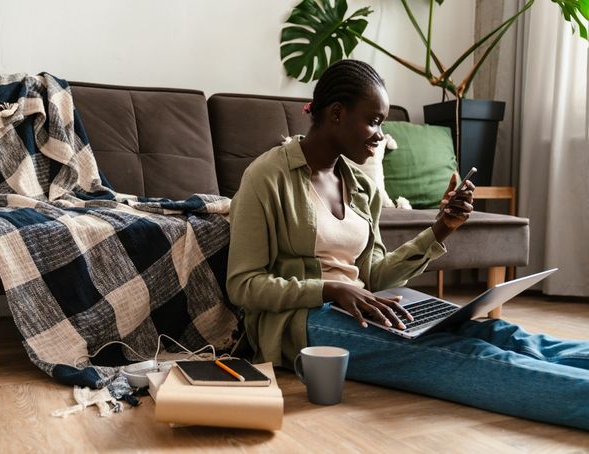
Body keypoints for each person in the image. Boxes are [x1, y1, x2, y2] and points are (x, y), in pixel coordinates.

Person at [226, 59, 589, 430]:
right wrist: (331, 290)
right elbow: (243, 285)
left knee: (499, 332)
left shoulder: (362, 186)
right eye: (374, 121)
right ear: (336, 114)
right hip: (305, 322)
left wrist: (442, 228)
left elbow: (375, 275)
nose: (380, 135)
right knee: (467, 354)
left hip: (365, 306)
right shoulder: (266, 177)